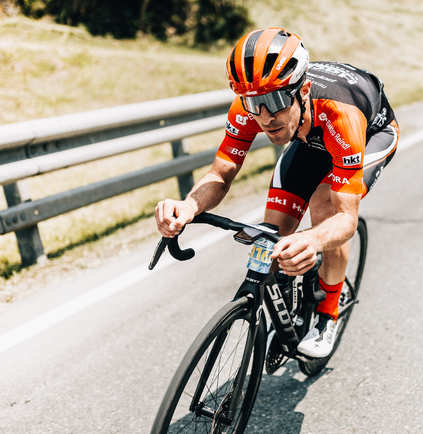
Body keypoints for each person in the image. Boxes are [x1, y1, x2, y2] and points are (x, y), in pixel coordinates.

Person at [154, 27, 399, 358]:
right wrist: (189, 206)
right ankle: (290, 317)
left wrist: (311, 240)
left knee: (325, 208)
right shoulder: (249, 109)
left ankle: (328, 312)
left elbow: (346, 218)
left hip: (367, 135)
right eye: (255, 103)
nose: (266, 117)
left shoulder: (342, 117)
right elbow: (221, 172)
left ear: (304, 90)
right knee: (273, 235)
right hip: (308, 137)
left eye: (275, 101)